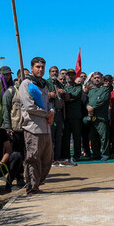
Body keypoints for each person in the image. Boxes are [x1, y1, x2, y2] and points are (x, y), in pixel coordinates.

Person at [19, 57, 54, 194]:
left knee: (47, 159)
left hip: (45, 127)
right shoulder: (26, 84)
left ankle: (37, 184)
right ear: (32, 68)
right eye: (37, 67)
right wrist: (46, 113)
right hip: (33, 128)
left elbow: (48, 104)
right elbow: (29, 106)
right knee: (33, 159)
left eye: (42, 67)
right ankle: (32, 188)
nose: (40, 69)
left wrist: (51, 112)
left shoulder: (43, 85)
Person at [86, 71, 111, 161]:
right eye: (95, 77)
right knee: (93, 137)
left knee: (104, 137)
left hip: (101, 117)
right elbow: (87, 101)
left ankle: (105, 154)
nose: (97, 79)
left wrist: (92, 107)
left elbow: (102, 100)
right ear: (92, 78)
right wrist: (87, 106)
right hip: (92, 117)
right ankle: (96, 154)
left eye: (98, 77)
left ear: (102, 78)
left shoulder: (105, 89)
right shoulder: (91, 90)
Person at [46, 66, 68, 165]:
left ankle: (57, 158)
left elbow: (67, 97)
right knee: (50, 137)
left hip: (60, 113)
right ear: (49, 73)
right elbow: (42, 95)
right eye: (52, 71)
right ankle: (49, 159)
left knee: (59, 137)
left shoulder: (60, 83)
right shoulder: (45, 82)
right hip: (51, 113)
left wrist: (63, 92)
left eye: (56, 72)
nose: (54, 73)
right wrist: (49, 94)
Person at [62, 68, 83, 163]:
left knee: (77, 137)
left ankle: (77, 155)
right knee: (66, 137)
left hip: (76, 116)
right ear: (66, 76)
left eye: (72, 75)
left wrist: (67, 96)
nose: (70, 76)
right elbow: (63, 97)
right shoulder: (64, 87)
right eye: (68, 75)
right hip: (66, 116)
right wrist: (68, 97)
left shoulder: (78, 87)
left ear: (75, 76)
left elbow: (76, 95)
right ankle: (66, 155)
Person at [0, 126, 24, 192]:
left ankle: (8, 185)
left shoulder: (2, 132)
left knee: (16, 156)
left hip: (0, 164)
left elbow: (8, 150)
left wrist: (1, 163)